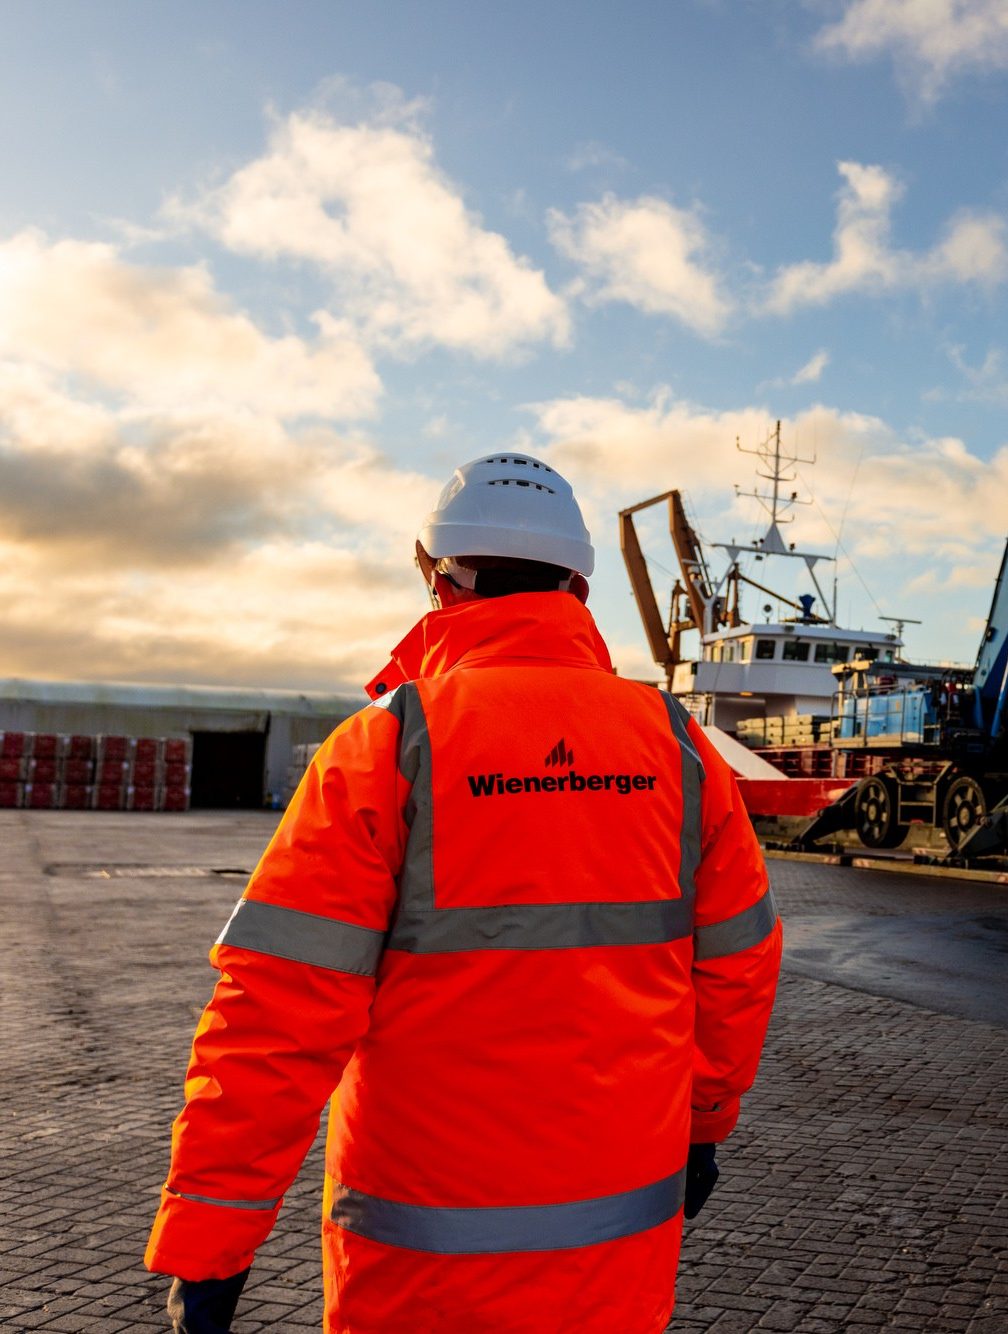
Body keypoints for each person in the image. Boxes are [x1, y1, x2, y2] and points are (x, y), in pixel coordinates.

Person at [144, 452, 782, 1332]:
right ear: (580, 590)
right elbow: (740, 968)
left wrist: (209, 1246)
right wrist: (704, 1123)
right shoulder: (677, 749)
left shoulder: (385, 750)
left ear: (432, 575)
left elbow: (276, 1014)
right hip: (617, 1257)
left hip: (418, 1269)